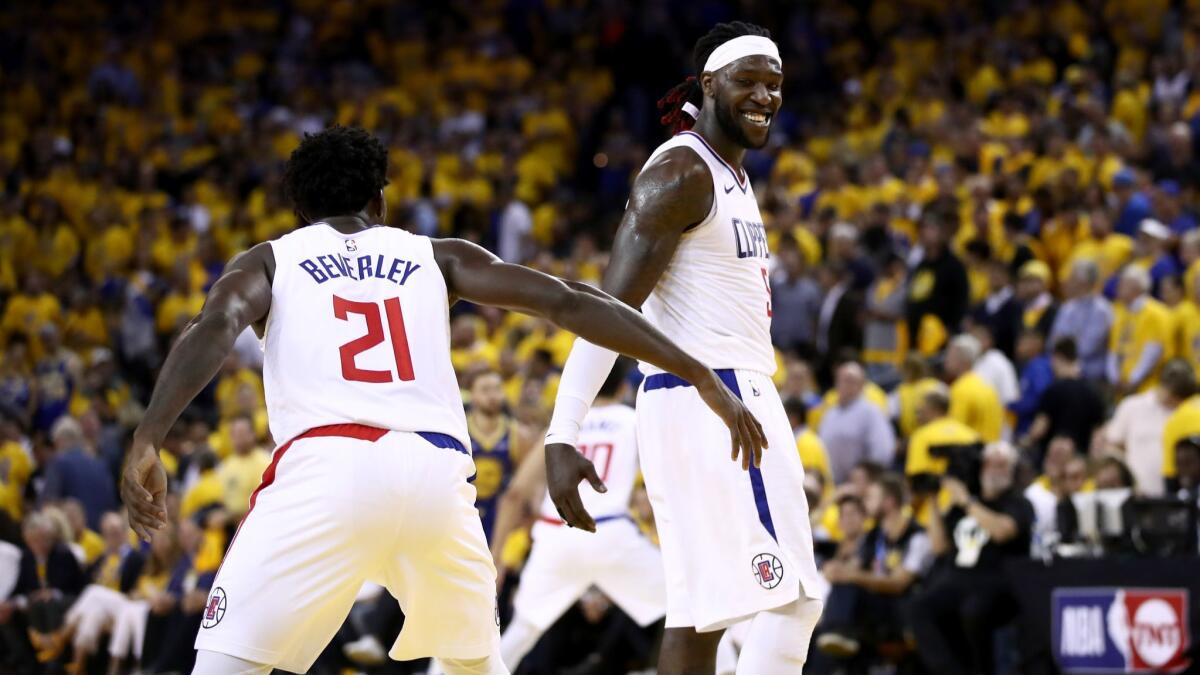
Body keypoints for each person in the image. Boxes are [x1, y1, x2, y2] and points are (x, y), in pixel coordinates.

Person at [119, 125, 764, 675]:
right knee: (474, 665)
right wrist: (696, 370)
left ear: (300, 211)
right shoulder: (434, 255)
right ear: (380, 199)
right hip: (437, 481)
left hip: (326, 469)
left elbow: (213, 327)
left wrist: (149, 435)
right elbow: (569, 301)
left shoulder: (272, 260)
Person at [544, 23, 824, 674]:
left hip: (714, 396)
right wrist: (564, 431)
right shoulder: (682, 171)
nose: (765, 95)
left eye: (775, 83)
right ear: (709, 84)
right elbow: (606, 310)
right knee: (793, 600)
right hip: (715, 400)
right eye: (748, 80)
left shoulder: (726, 174)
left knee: (701, 617)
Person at [490, 360, 665, 671]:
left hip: (556, 535)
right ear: (624, 387)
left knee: (522, 631)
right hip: (609, 533)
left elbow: (515, 494)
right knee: (689, 609)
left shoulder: (560, 425)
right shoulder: (634, 419)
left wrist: (498, 557)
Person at [910, 442, 1035, 675]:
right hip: (956, 577)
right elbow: (939, 547)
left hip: (996, 578)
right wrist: (934, 501)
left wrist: (966, 500)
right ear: (981, 467)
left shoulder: (1017, 502)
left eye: (1002, 464)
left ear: (1012, 470)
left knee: (973, 610)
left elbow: (1001, 532)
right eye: (990, 463)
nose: (995, 469)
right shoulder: (960, 506)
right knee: (920, 607)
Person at [814, 473, 932, 662]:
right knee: (841, 585)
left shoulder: (917, 536)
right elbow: (856, 565)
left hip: (902, 609)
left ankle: (836, 636)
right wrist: (837, 570)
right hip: (874, 604)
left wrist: (850, 575)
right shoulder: (874, 535)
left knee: (849, 583)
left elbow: (898, 584)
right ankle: (835, 635)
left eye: (871, 497)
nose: (865, 502)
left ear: (889, 502)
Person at [1104, 359, 1194, 497]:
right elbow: (1113, 446)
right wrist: (1127, 480)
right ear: (1164, 387)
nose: (1175, 402)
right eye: (1173, 396)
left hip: (1172, 494)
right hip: (1136, 494)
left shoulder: (1186, 412)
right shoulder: (1132, 406)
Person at [466, 371, 533, 544]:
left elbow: (525, 488)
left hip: (501, 523)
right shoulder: (458, 431)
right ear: (472, 394)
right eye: (485, 390)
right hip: (464, 520)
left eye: (497, 389)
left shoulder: (519, 435)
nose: (492, 396)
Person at [1022, 338, 1106, 458]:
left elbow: (1040, 427)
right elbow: (1098, 432)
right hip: (1079, 460)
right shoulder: (1093, 392)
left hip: (1053, 458)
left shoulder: (1053, 390)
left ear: (1058, 357)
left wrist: (1025, 441)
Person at [817, 362, 896, 484]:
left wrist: (866, 477)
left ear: (861, 385)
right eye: (841, 380)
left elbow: (883, 450)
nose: (844, 384)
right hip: (831, 484)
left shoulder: (870, 412)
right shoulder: (830, 413)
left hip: (859, 487)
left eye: (850, 380)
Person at [40, 416, 117, 530]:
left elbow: (49, 504)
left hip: (75, 534)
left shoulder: (58, 463)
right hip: (100, 536)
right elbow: (111, 503)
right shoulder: (101, 464)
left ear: (59, 441)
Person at [1109, 265, 1172, 396]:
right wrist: (1114, 378)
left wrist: (1133, 381)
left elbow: (1152, 352)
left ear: (1136, 287)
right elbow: (1114, 349)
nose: (1118, 288)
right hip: (1121, 388)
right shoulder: (1120, 311)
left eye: (1123, 284)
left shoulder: (1156, 313)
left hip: (1148, 388)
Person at [1047, 259, 1113, 382]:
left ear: (1084, 283)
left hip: (1089, 371)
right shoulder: (1068, 307)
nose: (1068, 282)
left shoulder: (1101, 309)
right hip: (1062, 365)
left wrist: (1066, 360)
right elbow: (1053, 340)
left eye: (1073, 278)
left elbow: (1088, 347)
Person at [945, 334, 1004, 442]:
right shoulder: (987, 386)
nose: (946, 360)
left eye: (951, 355)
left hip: (970, 453)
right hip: (989, 450)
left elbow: (953, 430)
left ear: (964, 359)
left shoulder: (961, 389)